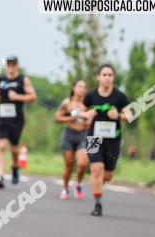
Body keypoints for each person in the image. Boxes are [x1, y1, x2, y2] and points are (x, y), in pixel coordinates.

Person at [82, 64, 131, 217]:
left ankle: (99, 182)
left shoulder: (120, 96)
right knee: (96, 168)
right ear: (98, 77)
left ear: (113, 78)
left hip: (113, 139)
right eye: (104, 74)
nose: (107, 78)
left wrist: (119, 116)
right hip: (94, 137)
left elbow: (130, 115)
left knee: (108, 174)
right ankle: (97, 204)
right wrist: (86, 114)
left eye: (110, 75)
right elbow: (80, 111)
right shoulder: (91, 96)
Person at [0, 56, 37, 188]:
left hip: (16, 119)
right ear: (6, 65)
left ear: (17, 66)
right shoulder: (0, 78)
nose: (11, 67)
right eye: (9, 64)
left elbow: (33, 97)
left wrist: (18, 97)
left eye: (13, 64)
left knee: (14, 149)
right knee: (1, 146)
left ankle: (15, 167)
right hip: (1, 117)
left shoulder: (23, 79)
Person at [55, 79, 90, 199]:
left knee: (82, 163)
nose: (82, 89)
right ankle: (65, 188)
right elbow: (57, 118)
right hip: (69, 134)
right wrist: (70, 119)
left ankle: (78, 183)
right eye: (80, 86)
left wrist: (87, 121)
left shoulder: (88, 104)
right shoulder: (67, 103)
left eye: (84, 87)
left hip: (83, 135)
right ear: (73, 88)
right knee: (69, 165)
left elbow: (92, 120)